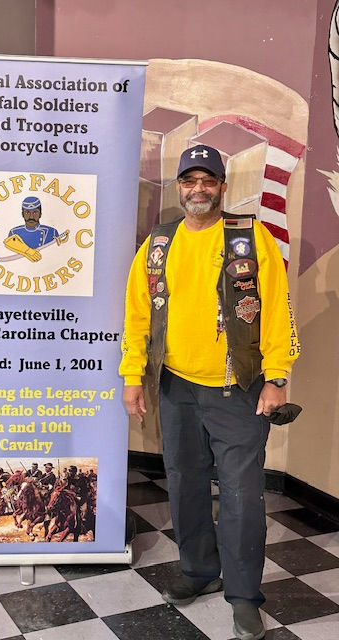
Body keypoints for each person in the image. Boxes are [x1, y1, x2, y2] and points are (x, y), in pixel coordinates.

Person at [119, 144, 299, 640]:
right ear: (179, 187)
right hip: (175, 385)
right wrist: (132, 375)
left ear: (222, 186)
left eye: (208, 180)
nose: (198, 189)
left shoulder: (249, 238)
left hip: (236, 388)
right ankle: (199, 570)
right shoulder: (159, 243)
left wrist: (277, 376)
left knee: (241, 494)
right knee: (184, 482)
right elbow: (137, 312)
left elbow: (277, 308)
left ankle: (244, 597)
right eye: (189, 180)